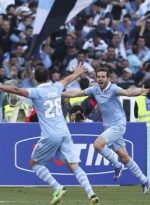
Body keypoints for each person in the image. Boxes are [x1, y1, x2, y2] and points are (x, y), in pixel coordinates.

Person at [0, 63, 99, 205]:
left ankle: (57, 187)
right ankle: (91, 194)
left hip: (50, 135)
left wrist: (1, 86)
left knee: (34, 163)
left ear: (35, 78)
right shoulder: (56, 87)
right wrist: (77, 73)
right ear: (48, 77)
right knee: (73, 165)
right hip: (64, 132)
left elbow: (16, 89)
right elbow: (67, 80)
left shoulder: (36, 92)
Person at [62, 67, 150, 194]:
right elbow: (75, 94)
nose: (100, 79)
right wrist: (58, 93)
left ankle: (117, 165)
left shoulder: (113, 88)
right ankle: (145, 180)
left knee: (97, 145)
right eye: (98, 77)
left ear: (108, 78)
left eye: (103, 77)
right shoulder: (94, 89)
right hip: (108, 126)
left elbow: (127, 92)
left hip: (119, 124)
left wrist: (139, 91)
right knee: (125, 157)